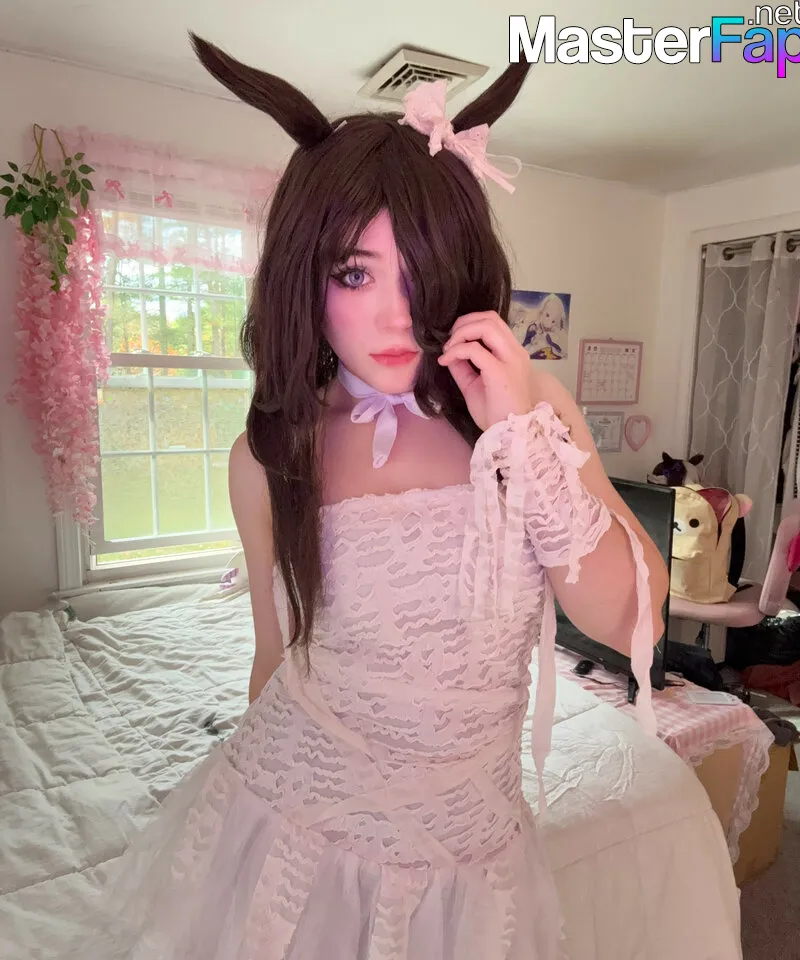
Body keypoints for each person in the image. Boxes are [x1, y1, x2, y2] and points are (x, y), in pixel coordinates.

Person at [99, 33, 670, 960]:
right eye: (354, 272)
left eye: (418, 269)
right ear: (305, 277)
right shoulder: (267, 455)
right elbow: (275, 658)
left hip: (475, 853)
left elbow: (632, 620)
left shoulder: (531, 409)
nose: (397, 312)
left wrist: (521, 438)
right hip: (294, 826)